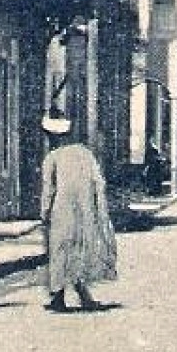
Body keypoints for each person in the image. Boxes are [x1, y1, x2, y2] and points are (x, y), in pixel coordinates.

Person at [39, 113, 118, 313]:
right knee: (80, 249)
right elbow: (99, 182)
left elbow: (49, 189)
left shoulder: (52, 158)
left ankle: (59, 297)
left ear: (53, 137)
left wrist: (44, 212)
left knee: (59, 251)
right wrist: (97, 207)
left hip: (62, 210)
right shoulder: (85, 154)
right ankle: (82, 295)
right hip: (85, 211)